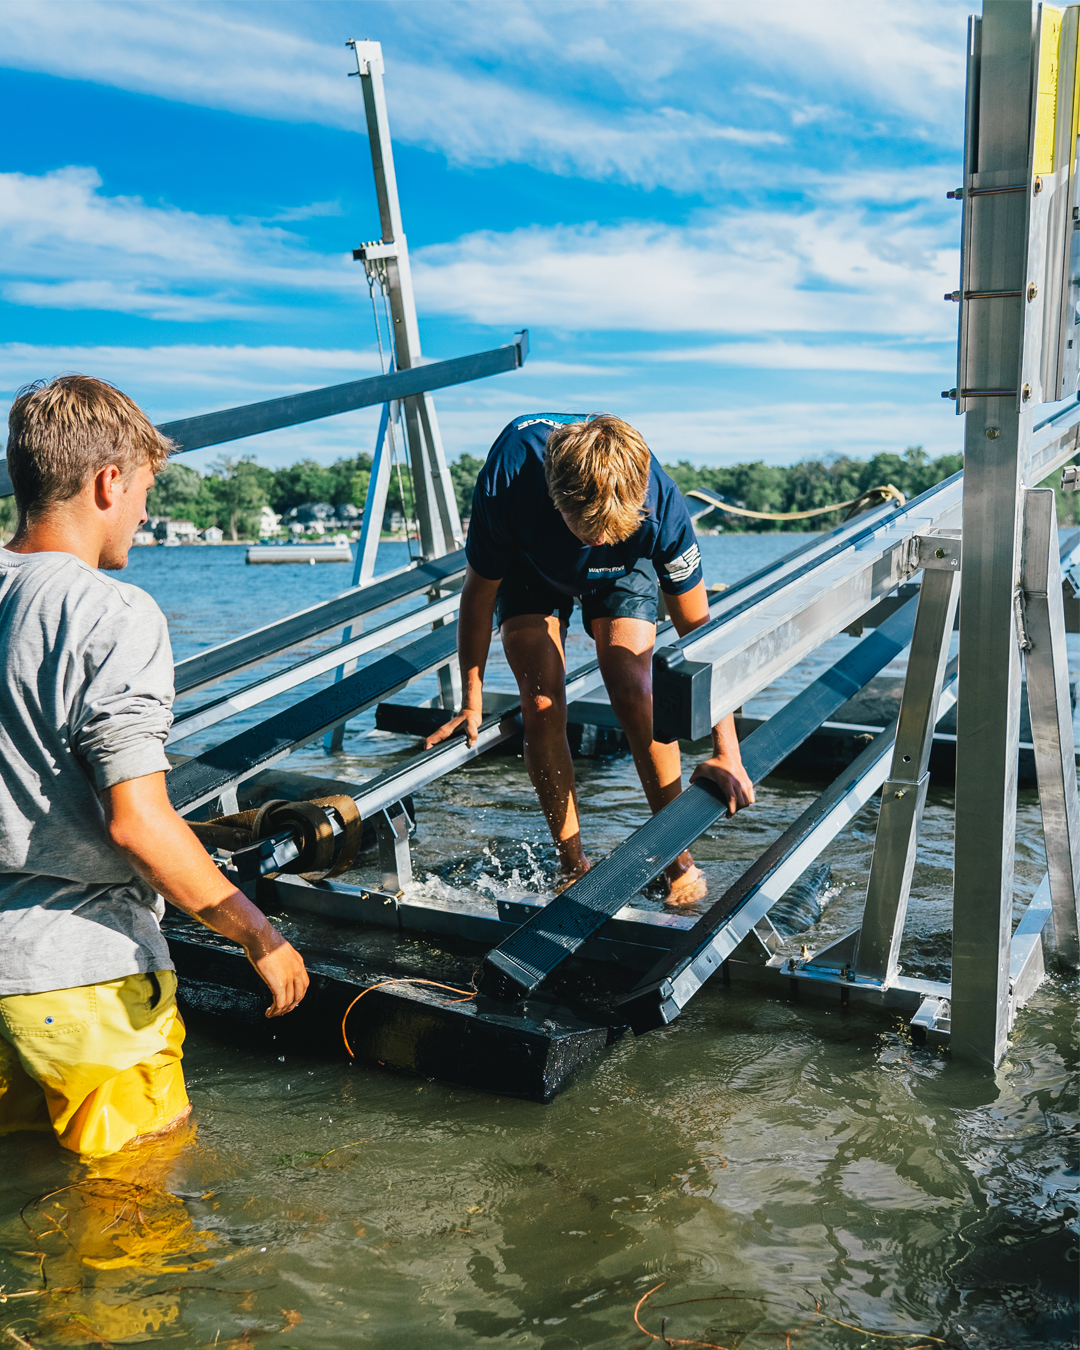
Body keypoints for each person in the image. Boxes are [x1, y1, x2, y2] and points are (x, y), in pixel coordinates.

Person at [0, 375, 308, 1159]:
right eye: (143, 489)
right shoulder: (111, 611)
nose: (144, 511)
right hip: (80, 981)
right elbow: (138, 822)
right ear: (108, 482)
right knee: (132, 1231)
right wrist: (257, 932)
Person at [426, 412, 754, 901]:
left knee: (635, 689)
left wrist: (727, 750)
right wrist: (471, 701)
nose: (597, 541)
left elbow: (699, 633)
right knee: (540, 704)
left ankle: (677, 857)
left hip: (625, 568)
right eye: (587, 531)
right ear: (557, 497)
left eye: (607, 531)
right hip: (531, 565)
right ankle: (572, 862)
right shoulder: (509, 482)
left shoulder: (661, 505)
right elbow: (477, 596)